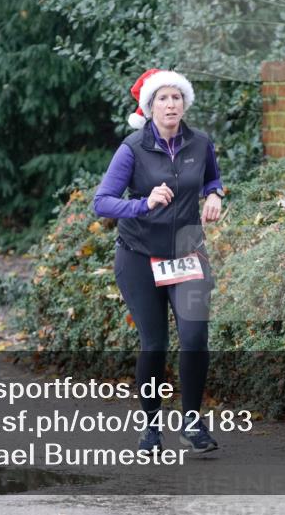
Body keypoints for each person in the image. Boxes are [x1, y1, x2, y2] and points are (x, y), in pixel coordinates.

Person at [93, 68, 225, 454]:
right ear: (149, 107)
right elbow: (102, 202)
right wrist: (143, 203)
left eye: (177, 98)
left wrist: (215, 195)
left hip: (187, 253)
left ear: (184, 104)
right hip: (138, 257)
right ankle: (151, 427)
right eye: (163, 99)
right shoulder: (132, 149)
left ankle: (191, 423)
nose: (171, 104)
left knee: (195, 338)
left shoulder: (200, 143)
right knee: (154, 344)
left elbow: (211, 179)